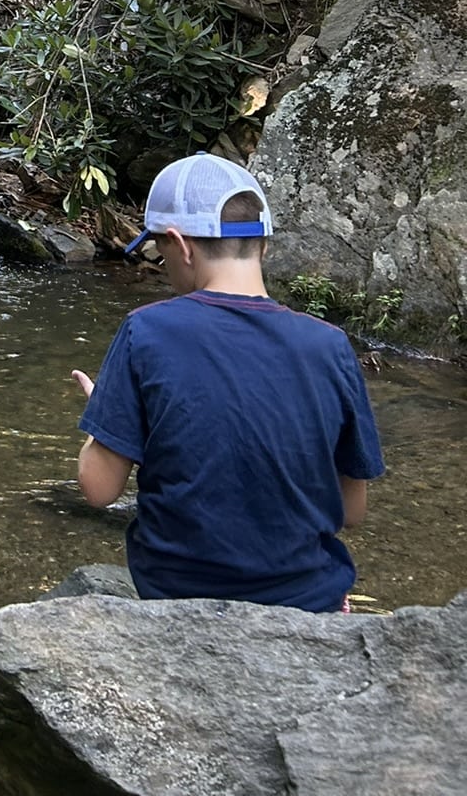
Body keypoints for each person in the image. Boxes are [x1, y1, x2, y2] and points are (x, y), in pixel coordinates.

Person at [71, 153, 385, 610]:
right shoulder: (330, 345)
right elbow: (351, 513)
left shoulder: (147, 331)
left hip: (178, 600)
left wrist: (106, 416)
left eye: (158, 251)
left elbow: (98, 490)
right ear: (265, 244)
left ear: (180, 245)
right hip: (306, 605)